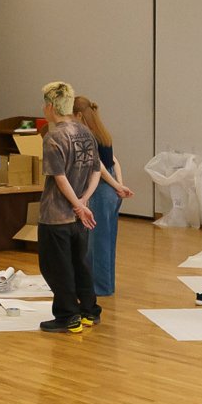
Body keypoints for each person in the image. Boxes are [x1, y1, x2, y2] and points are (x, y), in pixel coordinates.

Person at [33, 81, 104, 334]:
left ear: (51, 106)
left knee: (56, 267)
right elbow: (97, 170)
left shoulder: (54, 137)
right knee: (79, 264)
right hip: (79, 217)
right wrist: (84, 202)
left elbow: (59, 177)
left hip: (57, 215)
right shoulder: (87, 133)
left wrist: (76, 203)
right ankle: (89, 311)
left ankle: (67, 315)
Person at [75, 93, 135, 299]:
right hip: (111, 190)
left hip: (101, 189)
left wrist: (115, 184)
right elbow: (113, 160)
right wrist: (119, 184)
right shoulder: (102, 132)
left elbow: (98, 166)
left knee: (97, 241)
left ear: (78, 115)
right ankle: (106, 284)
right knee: (107, 239)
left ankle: (98, 286)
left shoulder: (86, 135)